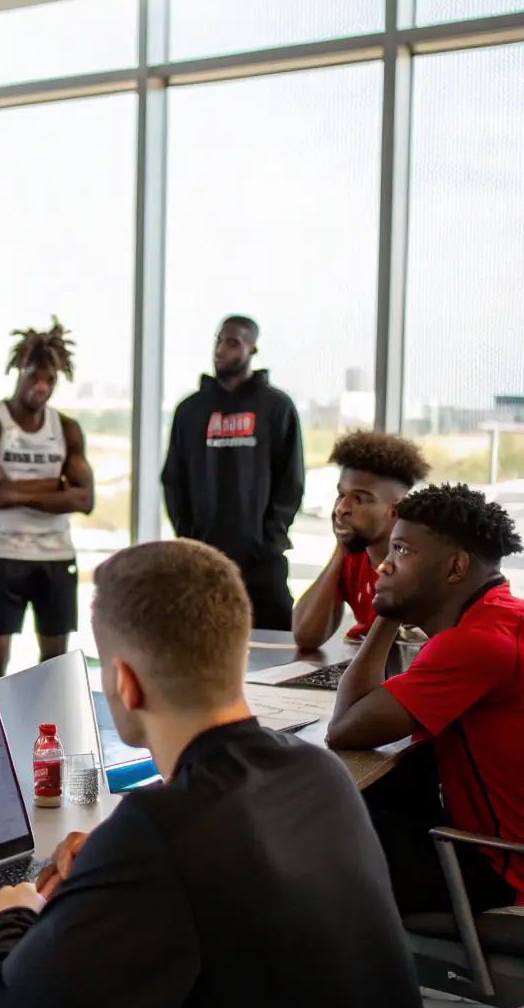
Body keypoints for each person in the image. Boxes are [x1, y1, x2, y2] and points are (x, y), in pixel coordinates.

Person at [0, 539, 427, 1008]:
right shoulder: (318, 772)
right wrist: (113, 873)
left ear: (124, 682)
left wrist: (2, 921)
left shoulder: (160, 831)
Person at [328, 484, 524, 916]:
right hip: (494, 843)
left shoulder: (474, 643)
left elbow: (344, 730)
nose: (384, 565)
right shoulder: (504, 617)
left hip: (502, 869)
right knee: (382, 789)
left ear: (455, 567)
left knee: (306, 832)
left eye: (401, 551)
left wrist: (385, 612)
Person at [0, 320, 94, 685]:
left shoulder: (66, 428)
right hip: (4, 553)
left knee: (53, 670)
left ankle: (48, 740)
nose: (41, 387)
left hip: (55, 557)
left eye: (50, 381)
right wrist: (55, 489)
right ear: (18, 371)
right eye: (34, 377)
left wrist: (15, 490)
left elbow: (85, 499)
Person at [162, 316, 304, 631]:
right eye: (218, 340)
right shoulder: (190, 410)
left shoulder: (276, 407)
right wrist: (189, 536)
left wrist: (270, 538)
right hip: (204, 558)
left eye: (232, 342)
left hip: (261, 560)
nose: (220, 350)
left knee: (281, 643)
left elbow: (290, 481)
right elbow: (173, 479)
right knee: (200, 645)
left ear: (252, 349)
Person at [292, 431, 430, 651]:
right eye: (341, 495)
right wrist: (341, 549)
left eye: (359, 499)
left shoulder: (421, 567)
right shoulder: (353, 559)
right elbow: (306, 636)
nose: (341, 508)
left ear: (395, 511)